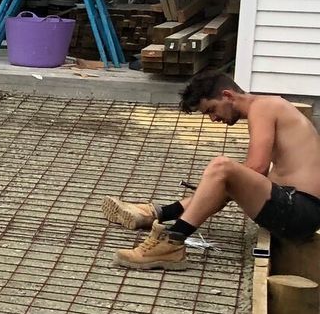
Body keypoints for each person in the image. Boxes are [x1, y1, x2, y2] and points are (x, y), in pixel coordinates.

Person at [104, 71, 320, 270]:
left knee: (221, 167)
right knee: (223, 178)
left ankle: (171, 241)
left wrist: (216, 183)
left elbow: (258, 169)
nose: (213, 119)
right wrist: (214, 187)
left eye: (211, 110)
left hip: (300, 211)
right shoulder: (269, 106)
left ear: (227, 95)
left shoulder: (264, 107)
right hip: (294, 207)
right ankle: (157, 214)